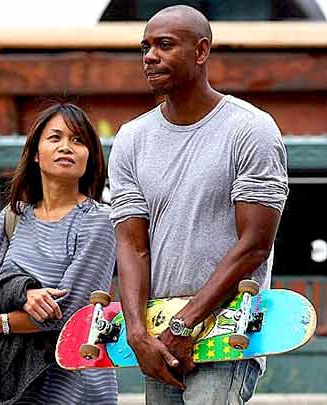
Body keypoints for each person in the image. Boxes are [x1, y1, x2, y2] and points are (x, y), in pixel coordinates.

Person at [108, 5, 289, 405]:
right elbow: (131, 244)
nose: (150, 56)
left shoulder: (250, 129)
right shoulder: (131, 139)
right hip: (160, 338)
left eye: (165, 45)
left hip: (226, 334)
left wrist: (186, 322)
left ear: (201, 51)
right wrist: (137, 332)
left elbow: (255, 245)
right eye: (145, 47)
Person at [0, 102, 118, 404]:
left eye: (78, 141)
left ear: (89, 157)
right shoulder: (13, 217)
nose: (66, 147)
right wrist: (25, 294)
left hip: (73, 385)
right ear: (36, 153)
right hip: (14, 388)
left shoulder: (99, 220)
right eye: (55, 138)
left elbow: (73, 312)